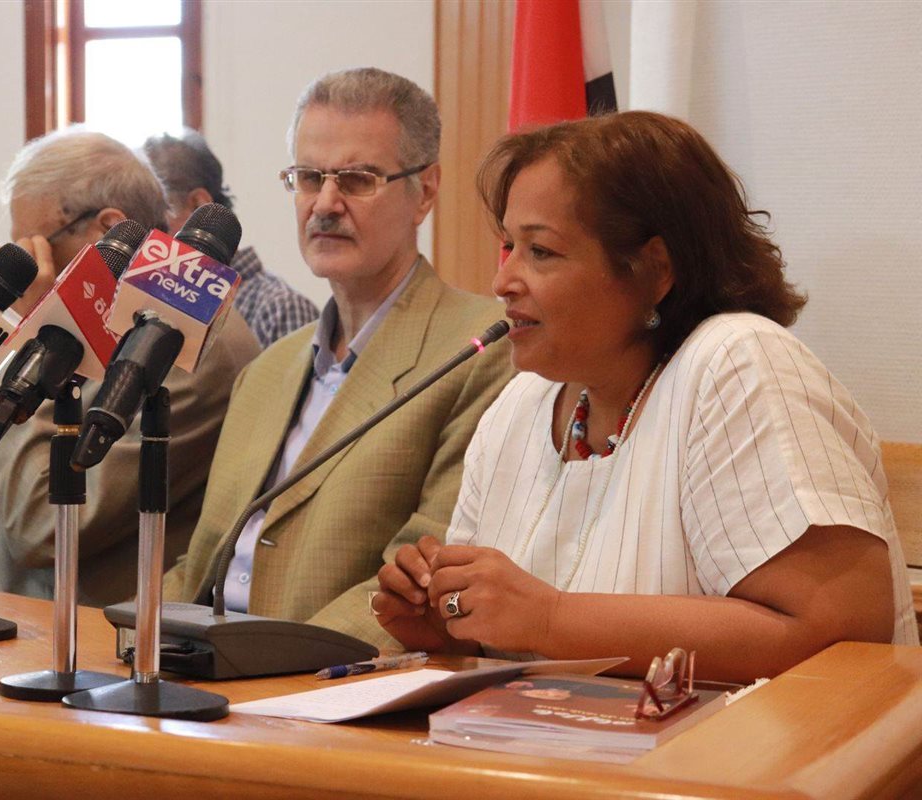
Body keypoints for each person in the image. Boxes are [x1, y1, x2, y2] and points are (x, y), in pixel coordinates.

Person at [374, 111, 918, 682]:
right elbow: (500, 638)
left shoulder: (739, 364)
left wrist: (550, 619)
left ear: (654, 269)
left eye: (541, 251)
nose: (502, 281)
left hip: (740, 740)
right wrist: (445, 621)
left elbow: (840, 634)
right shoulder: (519, 406)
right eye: (508, 246)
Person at [162, 68, 515, 650]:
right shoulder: (265, 373)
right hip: (199, 666)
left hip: (315, 677)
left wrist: (274, 671)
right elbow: (200, 563)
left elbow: (418, 584)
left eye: (356, 179)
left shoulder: (479, 351)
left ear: (425, 192)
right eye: (308, 178)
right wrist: (138, 639)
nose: (325, 204)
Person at [0, 128, 261, 606]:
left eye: (36, 246)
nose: (28, 267)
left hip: (88, 624)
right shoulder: (108, 317)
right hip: (8, 598)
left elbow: (44, 524)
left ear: (107, 229)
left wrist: (31, 338)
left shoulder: (186, 343)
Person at [143, 129, 320, 347]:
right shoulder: (161, 300)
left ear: (198, 205)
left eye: (155, 216)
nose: (147, 238)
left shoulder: (280, 309)